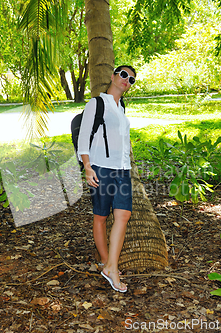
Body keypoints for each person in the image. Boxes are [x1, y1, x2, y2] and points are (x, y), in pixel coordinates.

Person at [77, 65, 136, 292]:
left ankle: (111, 266)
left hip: (122, 169)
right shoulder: (96, 104)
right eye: (123, 75)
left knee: (124, 214)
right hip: (101, 168)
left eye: (131, 79)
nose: (126, 81)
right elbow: (84, 137)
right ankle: (106, 262)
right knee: (100, 217)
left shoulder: (122, 107)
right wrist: (88, 167)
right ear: (112, 76)